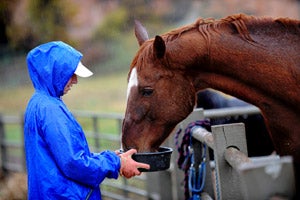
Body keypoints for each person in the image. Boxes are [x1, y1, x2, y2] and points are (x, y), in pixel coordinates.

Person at [24, 41, 150, 199]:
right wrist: (117, 163)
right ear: (55, 72)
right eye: (71, 74)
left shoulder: (38, 103)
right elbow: (73, 163)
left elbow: (66, 155)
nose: (75, 80)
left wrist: (111, 157)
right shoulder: (50, 110)